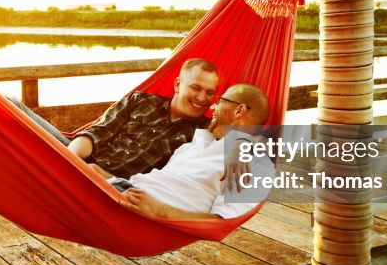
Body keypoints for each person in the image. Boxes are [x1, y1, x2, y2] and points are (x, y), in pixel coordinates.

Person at [7, 58, 220, 178]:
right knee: (10, 104)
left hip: (111, 187)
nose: (202, 98)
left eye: (210, 92)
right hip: (74, 156)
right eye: (195, 88)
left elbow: (247, 151)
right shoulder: (141, 100)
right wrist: (70, 163)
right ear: (177, 85)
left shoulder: (203, 133)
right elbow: (97, 133)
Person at [109, 83, 274, 220]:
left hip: (142, 213)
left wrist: (161, 211)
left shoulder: (257, 163)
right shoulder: (197, 142)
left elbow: (221, 222)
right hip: (127, 189)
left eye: (219, 100)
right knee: (89, 170)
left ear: (239, 110)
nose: (212, 106)